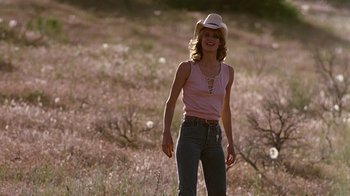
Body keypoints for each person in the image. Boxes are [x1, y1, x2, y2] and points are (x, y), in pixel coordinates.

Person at [161, 13, 236, 196]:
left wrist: (231, 143)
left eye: (215, 36)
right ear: (200, 39)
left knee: (218, 192)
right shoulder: (186, 68)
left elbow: (225, 109)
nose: (210, 39)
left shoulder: (228, 72)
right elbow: (171, 103)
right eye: (206, 35)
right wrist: (166, 132)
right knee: (187, 192)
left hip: (214, 136)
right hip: (190, 133)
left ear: (220, 42)